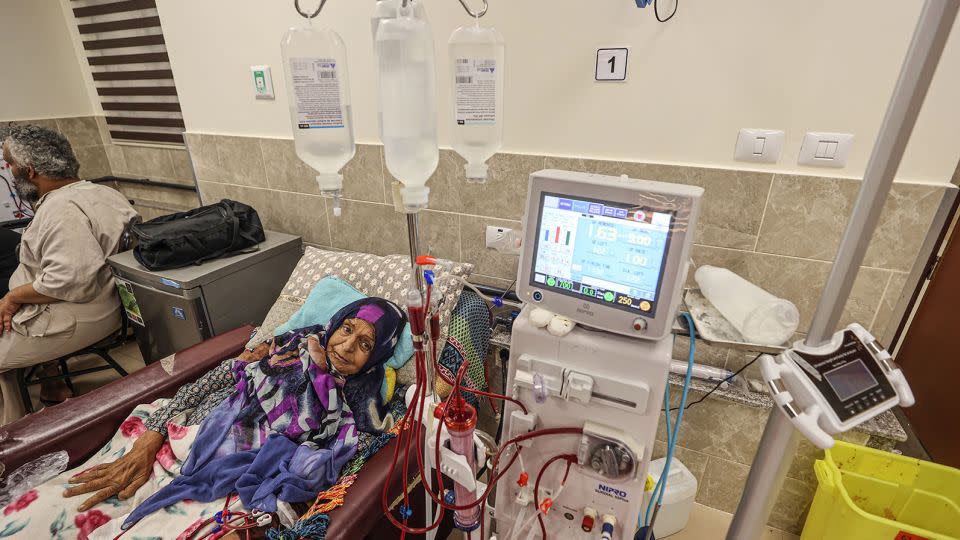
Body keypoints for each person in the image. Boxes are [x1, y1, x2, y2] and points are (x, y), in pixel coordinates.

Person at [0, 296, 408, 538]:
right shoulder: (283, 346)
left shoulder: (362, 401)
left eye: (366, 343)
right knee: (35, 517)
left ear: (378, 356)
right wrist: (154, 435)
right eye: (347, 328)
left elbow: (351, 460)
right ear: (335, 322)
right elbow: (214, 384)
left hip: (231, 485)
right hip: (176, 440)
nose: (348, 345)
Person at [0, 124, 138, 424]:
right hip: (107, 307)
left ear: (30, 171)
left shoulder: (62, 210)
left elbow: (70, 280)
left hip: (78, 318)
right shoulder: (102, 193)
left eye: (9, 163)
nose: (8, 169)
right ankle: (51, 387)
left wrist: (13, 297)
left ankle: (13, 436)